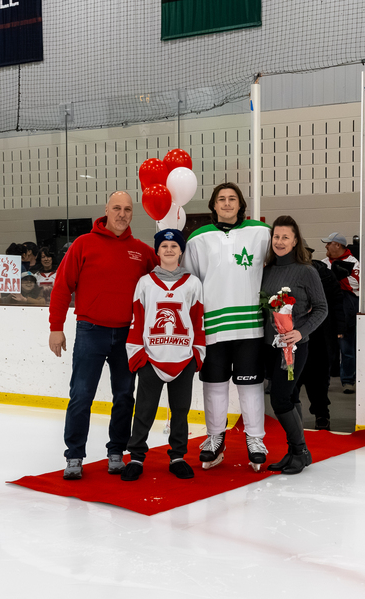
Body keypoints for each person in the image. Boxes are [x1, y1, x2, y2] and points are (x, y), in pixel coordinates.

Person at [48, 191, 157, 480]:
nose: (122, 214)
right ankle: (74, 456)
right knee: (81, 395)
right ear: (106, 210)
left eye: (128, 209)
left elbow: (163, 284)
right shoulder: (84, 244)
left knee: (124, 396)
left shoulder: (143, 252)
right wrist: (55, 327)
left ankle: (116, 451)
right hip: (90, 331)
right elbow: (62, 287)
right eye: (117, 208)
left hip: (127, 335)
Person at [183, 182, 272, 470]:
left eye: (232, 198)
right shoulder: (198, 238)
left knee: (251, 385)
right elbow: (190, 282)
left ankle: (255, 438)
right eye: (221, 199)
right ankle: (214, 438)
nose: (227, 203)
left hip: (250, 326)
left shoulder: (261, 232)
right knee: (214, 384)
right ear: (213, 205)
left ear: (240, 203)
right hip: (213, 326)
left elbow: (277, 263)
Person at [122, 229, 205, 482]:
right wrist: (138, 354)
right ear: (157, 251)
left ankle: (177, 456)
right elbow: (137, 320)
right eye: (164, 246)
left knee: (180, 411)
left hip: (183, 358)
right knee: (144, 410)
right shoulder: (145, 282)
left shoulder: (193, 283)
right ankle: (136, 457)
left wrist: (196, 354)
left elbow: (198, 320)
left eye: (174, 246)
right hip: (152, 358)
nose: (169, 250)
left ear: (181, 251)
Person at [261, 216, 327, 474]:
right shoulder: (266, 270)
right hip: (269, 346)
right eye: (276, 237)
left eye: (285, 237)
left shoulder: (306, 271)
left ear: (295, 240)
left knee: (279, 399)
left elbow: (322, 308)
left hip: (294, 348)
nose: (279, 241)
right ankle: (295, 452)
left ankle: (300, 450)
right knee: (289, 396)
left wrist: (301, 332)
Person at [295, 246, 342, 430]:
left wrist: (339, 328)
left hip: (320, 337)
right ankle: (292, 417)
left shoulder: (325, 274)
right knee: (293, 380)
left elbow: (337, 302)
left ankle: (322, 415)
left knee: (319, 380)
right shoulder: (288, 274)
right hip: (294, 337)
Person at [321, 232, 360, 394]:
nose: (326, 246)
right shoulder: (323, 263)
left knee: (347, 348)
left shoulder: (354, 263)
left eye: (329, 243)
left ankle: (348, 380)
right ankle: (322, 380)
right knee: (324, 348)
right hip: (326, 309)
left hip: (346, 309)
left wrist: (335, 278)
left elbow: (356, 284)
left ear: (337, 244)